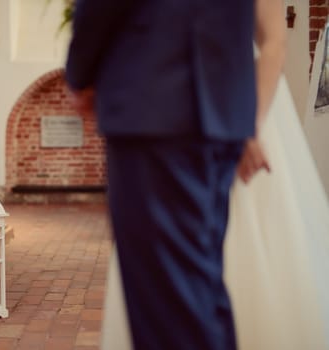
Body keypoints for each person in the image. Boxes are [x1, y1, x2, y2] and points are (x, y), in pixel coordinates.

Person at [65, 0, 285, 349]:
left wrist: (80, 73)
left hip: (157, 104)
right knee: (198, 291)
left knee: (168, 305)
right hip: (222, 108)